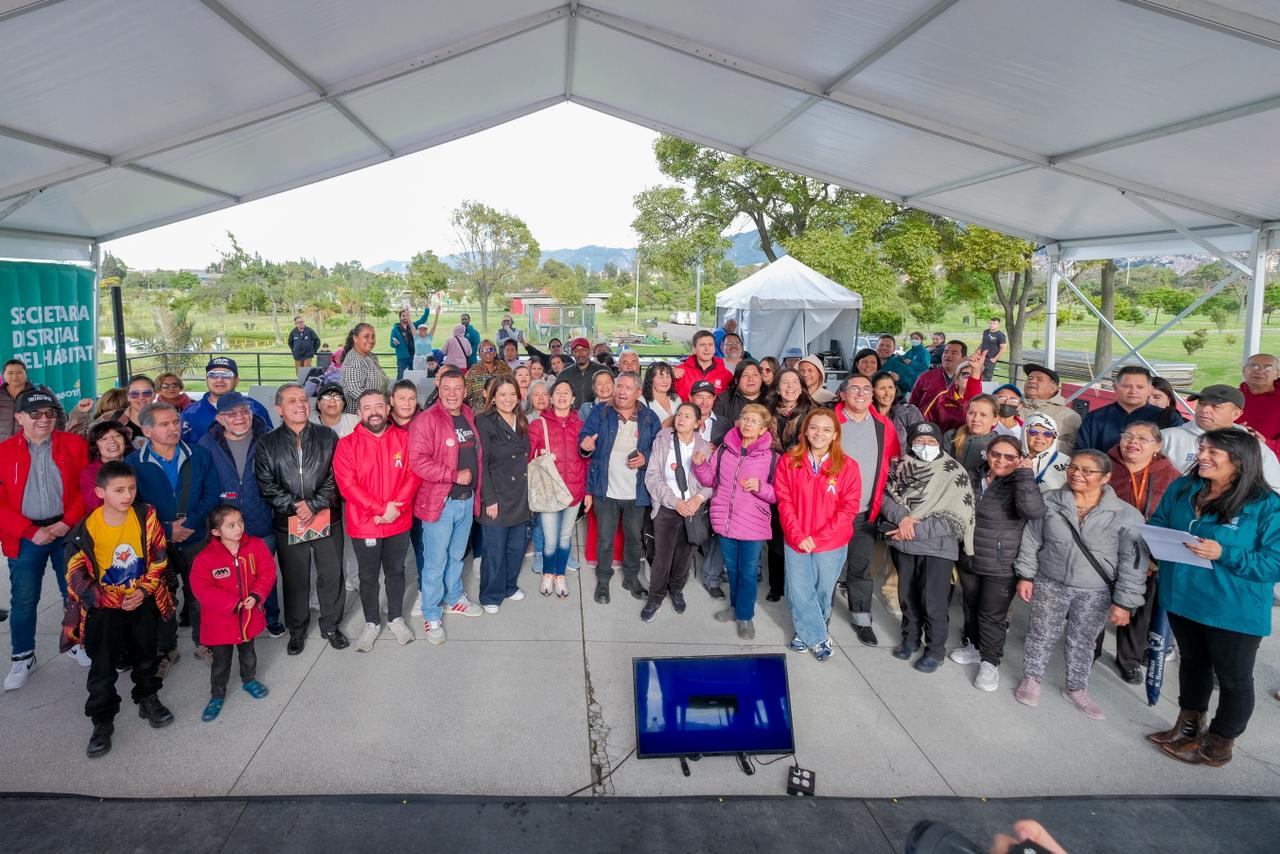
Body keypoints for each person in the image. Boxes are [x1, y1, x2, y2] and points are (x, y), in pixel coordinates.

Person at [1145, 429, 1280, 767]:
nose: (1202, 456)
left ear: (1239, 460)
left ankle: (1219, 745)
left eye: (1213, 452)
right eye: (1202, 448)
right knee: (1193, 665)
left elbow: (1274, 563)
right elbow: (1160, 521)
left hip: (1231, 608)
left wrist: (1224, 553)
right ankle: (1187, 728)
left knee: (1234, 679)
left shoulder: (1267, 505)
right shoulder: (1184, 487)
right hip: (1183, 596)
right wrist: (1155, 545)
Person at [1014, 449, 1148, 720]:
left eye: (1088, 471)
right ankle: (1031, 678)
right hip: (1050, 581)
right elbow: (1031, 539)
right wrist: (1025, 575)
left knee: (1084, 641)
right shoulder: (1050, 502)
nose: (1077, 474)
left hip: (1095, 591)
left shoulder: (1126, 515)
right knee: (1040, 633)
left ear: (1106, 477)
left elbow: (1133, 563)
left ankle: (1076, 687)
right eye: (1074, 468)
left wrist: (1124, 602)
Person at [63, 461, 174, 757]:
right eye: (119, 490)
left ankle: (147, 697)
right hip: (105, 608)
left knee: (146, 653)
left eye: (131, 488)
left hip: (141, 599)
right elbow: (75, 574)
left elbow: (159, 556)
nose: (127, 495)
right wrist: (107, 598)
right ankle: (102, 718)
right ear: (100, 492)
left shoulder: (145, 516)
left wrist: (142, 590)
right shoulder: (87, 527)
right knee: (102, 664)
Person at [0, 389, 88, 689]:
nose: (43, 420)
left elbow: (84, 489)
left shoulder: (74, 444)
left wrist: (67, 522)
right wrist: (29, 531)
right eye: (35, 414)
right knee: (24, 599)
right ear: (19, 417)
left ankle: (76, 642)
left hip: (66, 532)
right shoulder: (4, 452)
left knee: (72, 593)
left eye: (50, 414)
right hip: (25, 537)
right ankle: (23, 656)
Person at [254, 383, 347, 655]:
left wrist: (314, 505)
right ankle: (297, 629)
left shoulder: (327, 436)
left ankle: (331, 625)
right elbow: (266, 484)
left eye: (304, 399)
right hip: (288, 521)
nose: (300, 404)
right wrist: (297, 507)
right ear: (279, 409)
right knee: (295, 579)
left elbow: (336, 476)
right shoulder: (267, 444)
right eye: (292, 400)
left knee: (331, 575)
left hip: (327, 518)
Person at [126, 402, 221, 669]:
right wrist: (167, 530)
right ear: (147, 430)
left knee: (200, 593)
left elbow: (211, 492)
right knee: (162, 596)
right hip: (156, 543)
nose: (173, 428)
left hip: (196, 536)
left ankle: (204, 642)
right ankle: (166, 648)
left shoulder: (199, 455)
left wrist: (190, 523)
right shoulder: (133, 464)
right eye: (164, 424)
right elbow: (132, 505)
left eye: (175, 422)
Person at [880, 422, 976, 674]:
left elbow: (958, 515)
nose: (925, 446)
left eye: (931, 441)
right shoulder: (900, 467)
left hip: (937, 547)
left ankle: (935, 650)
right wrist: (902, 518)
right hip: (903, 544)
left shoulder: (954, 471)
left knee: (933, 601)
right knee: (907, 596)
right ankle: (910, 638)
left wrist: (912, 529)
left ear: (939, 443)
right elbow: (885, 497)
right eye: (919, 441)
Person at [950, 434, 1044, 689]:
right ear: (987, 454)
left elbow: (1033, 512)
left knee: (992, 614)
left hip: (1001, 563)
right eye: (996, 454)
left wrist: (1025, 475)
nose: (1001, 460)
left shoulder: (1021, 483)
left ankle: (990, 663)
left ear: (1020, 459)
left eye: (1010, 457)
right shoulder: (974, 477)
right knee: (970, 605)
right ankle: (973, 646)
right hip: (970, 556)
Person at [333, 390, 419, 651]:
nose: (374, 412)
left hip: (398, 521)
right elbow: (348, 487)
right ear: (359, 413)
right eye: (367, 407)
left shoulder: (404, 439)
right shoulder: (347, 445)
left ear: (388, 407)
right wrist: (380, 509)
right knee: (368, 576)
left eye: (378, 406)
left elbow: (413, 474)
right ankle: (371, 622)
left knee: (396, 572)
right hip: (365, 523)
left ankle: (395, 618)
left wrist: (394, 509)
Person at [197, 391, 285, 639]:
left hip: (262, 520)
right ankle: (240, 615)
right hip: (226, 525)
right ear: (220, 418)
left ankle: (271, 616)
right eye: (231, 413)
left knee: (264, 573)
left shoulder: (267, 437)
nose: (239, 417)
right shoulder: (207, 444)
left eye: (244, 411)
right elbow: (202, 483)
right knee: (231, 576)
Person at [776, 409, 860, 662]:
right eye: (814, 428)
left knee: (822, 590)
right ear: (805, 432)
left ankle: (808, 631)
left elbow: (849, 508)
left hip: (831, 542)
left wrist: (819, 537)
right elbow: (784, 500)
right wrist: (798, 534)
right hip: (797, 538)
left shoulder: (848, 466)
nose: (819, 434)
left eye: (826, 429)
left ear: (835, 434)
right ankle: (816, 637)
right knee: (799, 590)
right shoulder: (790, 461)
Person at [1100, 421, 1180, 683]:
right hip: (1104, 548)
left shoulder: (1172, 477)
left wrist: (1155, 558)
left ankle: (1130, 660)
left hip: (1147, 555)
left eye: (1143, 439)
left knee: (1138, 609)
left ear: (1157, 446)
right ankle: (1088, 651)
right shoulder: (1105, 465)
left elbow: (1175, 519)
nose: (1133, 442)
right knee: (1095, 604)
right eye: (1128, 436)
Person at [408, 370, 483, 645]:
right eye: (447, 388)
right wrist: (453, 475)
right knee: (435, 563)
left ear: (465, 390)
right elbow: (418, 461)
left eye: (458, 388)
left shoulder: (468, 415)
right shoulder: (426, 420)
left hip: (465, 501)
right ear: (438, 388)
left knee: (456, 557)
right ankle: (430, 613)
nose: (452, 393)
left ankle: (453, 598)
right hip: (441, 503)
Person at [694, 403, 778, 639]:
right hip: (725, 521)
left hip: (753, 525)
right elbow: (710, 480)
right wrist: (700, 464)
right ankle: (735, 608)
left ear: (763, 429)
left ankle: (745, 617)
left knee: (748, 572)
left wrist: (761, 487)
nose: (748, 424)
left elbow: (778, 494)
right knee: (731, 570)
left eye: (754, 421)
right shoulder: (724, 450)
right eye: (744, 418)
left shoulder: (770, 457)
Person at [579, 371, 660, 604]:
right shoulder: (601, 412)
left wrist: (646, 457)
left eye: (628, 388)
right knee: (604, 538)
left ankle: (631, 578)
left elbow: (659, 449)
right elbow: (585, 439)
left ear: (637, 393)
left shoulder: (648, 417)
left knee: (634, 538)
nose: (622, 392)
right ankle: (603, 580)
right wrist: (585, 445)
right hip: (606, 489)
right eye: (619, 386)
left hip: (636, 492)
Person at [190, 504, 275, 721]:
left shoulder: (255, 546)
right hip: (221, 622)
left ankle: (249, 680)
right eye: (231, 525)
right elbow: (201, 588)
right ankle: (217, 695)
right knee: (221, 662)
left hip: (248, 617)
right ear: (216, 532)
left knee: (248, 653)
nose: (239, 528)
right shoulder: (206, 557)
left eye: (240, 522)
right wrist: (232, 603)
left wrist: (256, 595)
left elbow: (267, 572)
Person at [834, 374, 902, 645]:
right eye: (854, 389)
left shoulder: (883, 426)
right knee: (826, 570)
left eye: (866, 389)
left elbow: (894, 462)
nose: (861, 393)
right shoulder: (829, 423)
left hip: (864, 513)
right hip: (831, 512)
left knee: (860, 569)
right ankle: (819, 615)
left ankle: (861, 617)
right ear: (842, 394)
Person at [641, 401, 713, 622]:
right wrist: (673, 501)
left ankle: (677, 590)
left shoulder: (704, 447)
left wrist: (698, 499)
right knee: (661, 555)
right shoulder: (663, 440)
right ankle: (655, 597)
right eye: (679, 414)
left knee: (685, 555)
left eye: (687, 416)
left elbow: (711, 482)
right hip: (667, 507)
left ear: (698, 423)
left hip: (692, 509)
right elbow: (652, 476)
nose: (681, 419)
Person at [473, 376, 531, 614]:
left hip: (520, 494)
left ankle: (508, 586)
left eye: (512, 394)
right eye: (502, 394)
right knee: (494, 550)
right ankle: (490, 594)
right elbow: (482, 463)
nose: (508, 399)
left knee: (516, 547)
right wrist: (491, 498)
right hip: (497, 493)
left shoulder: (521, 418)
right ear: (492, 397)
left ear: (518, 396)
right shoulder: (484, 421)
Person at [529, 379, 587, 597]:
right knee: (550, 539)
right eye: (558, 393)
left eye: (567, 392)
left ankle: (560, 574)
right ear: (551, 398)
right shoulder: (538, 425)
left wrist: (588, 492)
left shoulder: (581, 426)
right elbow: (528, 458)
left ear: (573, 399)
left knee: (565, 537)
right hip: (549, 491)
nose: (562, 396)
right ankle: (547, 572)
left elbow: (588, 460)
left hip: (575, 491)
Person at [1160, 384, 1280, 490]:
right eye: (1201, 404)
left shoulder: (1253, 446)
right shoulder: (1165, 438)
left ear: (1236, 414)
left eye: (1215, 406)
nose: (1205, 410)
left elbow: (1274, 486)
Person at [765, 368, 814, 601]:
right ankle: (776, 585)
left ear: (802, 386)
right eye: (785, 382)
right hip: (773, 478)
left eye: (795, 382)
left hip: (801, 480)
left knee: (798, 530)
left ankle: (797, 583)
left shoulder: (811, 412)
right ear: (776, 387)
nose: (790, 386)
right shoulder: (768, 411)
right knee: (776, 532)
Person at [1077, 366, 1179, 452]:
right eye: (1127, 386)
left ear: (1149, 390)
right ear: (1115, 387)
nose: (1133, 391)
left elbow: (1177, 452)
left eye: (1140, 387)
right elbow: (1081, 452)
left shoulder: (1167, 417)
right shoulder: (1095, 417)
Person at [180, 357, 272, 445]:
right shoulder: (190, 414)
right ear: (206, 379)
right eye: (213, 375)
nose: (219, 380)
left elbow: (271, 445)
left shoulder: (256, 409)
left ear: (236, 380)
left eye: (226, 375)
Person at [909, 341, 984, 433]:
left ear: (964, 358)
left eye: (954, 353)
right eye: (946, 352)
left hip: (960, 433)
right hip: (926, 430)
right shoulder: (926, 377)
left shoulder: (970, 380)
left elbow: (975, 398)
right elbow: (913, 404)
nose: (948, 355)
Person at [1019, 364, 1082, 453]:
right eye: (1029, 378)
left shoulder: (1069, 416)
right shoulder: (1013, 406)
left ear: (1053, 388)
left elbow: (1074, 446)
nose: (1032, 381)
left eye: (1039, 379)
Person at [0, 358, 65, 442]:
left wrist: (53, 437)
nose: (15, 377)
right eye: (10, 373)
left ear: (26, 374)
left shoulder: (40, 390)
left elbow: (60, 414)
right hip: (3, 445)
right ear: (3, 375)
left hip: (32, 445)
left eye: (19, 372)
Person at [710, 359, 767, 444]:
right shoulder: (724, 398)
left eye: (755, 375)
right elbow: (714, 427)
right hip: (729, 448)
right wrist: (733, 424)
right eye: (745, 375)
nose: (750, 379)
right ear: (736, 380)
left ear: (761, 378)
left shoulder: (771, 399)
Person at [944, 394, 1000, 477]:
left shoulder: (999, 445)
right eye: (971, 413)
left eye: (983, 415)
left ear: (995, 419)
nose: (976, 419)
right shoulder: (951, 436)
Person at [82, 421, 132, 512]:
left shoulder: (137, 463)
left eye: (117, 435)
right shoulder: (90, 473)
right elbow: (97, 508)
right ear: (95, 445)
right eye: (103, 438)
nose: (112, 441)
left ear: (125, 440)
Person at [340, 323, 389, 414]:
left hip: (377, 410)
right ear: (355, 338)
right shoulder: (353, 361)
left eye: (373, 336)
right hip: (360, 416)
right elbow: (356, 392)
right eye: (366, 336)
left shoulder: (371, 356)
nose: (371, 340)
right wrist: (381, 403)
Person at [1237, 353, 1280, 454]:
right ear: (1244, 370)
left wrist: (1265, 442)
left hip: (1270, 460)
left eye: (1268, 368)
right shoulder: (1231, 397)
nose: (1259, 371)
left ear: (1277, 374)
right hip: (1230, 456)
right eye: (1253, 366)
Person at [674, 330, 733, 401]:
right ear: (694, 349)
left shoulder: (727, 375)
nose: (707, 349)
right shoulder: (680, 371)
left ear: (714, 349)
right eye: (702, 345)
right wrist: (670, 377)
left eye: (710, 345)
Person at [870, 370, 922, 448]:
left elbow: (920, 441)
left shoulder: (910, 412)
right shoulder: (864, 414)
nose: (887, 393)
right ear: (872, 391)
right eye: (882, 388)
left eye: (891, 387)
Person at [1022, 413, 1070, 491]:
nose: (1039, 437)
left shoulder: (1066, 462)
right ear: (1024, 433)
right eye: (1033, 432)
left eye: (1047, 434)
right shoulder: (1010, 457)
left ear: (1054, 437)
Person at [464, 338, 512, 411]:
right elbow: (465, 396)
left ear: (495, 353)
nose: (487, 352)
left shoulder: (505, 371)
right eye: (483, 350)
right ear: (479, 354)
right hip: (479, 414)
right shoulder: (472, 373)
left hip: (502, 412)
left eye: (490, 349)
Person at [390, 306, 430, 380]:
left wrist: (427, 308)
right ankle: (397, 390)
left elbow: (423, 319)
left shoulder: (413, 326)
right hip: (402, 357)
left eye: (406, 315)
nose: (405, 317)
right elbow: (391, 343)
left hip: (413, 356)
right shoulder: (395, 330)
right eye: (403, 315)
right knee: (401, 376)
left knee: (413, 376)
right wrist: (394, 343)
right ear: (400, 317)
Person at [643, 361, 679, 429]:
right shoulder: (642, 402)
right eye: (661, 377)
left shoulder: (676, 399)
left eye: (668, 377)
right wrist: (668, 422)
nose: (665, 381)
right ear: (651, 379)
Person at [978, 317, 1007, 381]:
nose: (992, 325)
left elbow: (1003, 349)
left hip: (990, 360)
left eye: (994, 324)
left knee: (986, 378)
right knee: (977, 375)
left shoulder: (1000, 335)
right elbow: (983, 342)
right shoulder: (986, 332)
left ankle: (984, 391)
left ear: (998, 324)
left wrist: (994, 359)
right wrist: (977, 351)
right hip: (981, 358)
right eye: (990, 323)